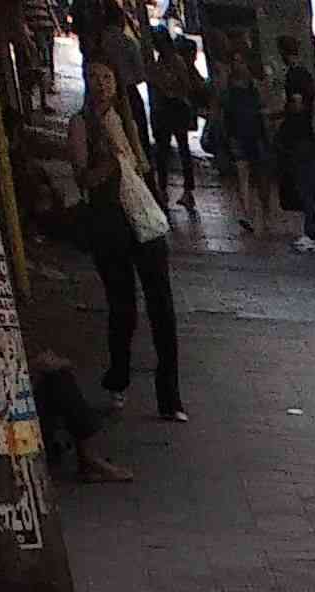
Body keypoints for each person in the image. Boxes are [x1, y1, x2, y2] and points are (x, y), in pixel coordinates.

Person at [67, 56, 185, 422]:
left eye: (107, 77)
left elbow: (142, 165)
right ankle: (118, 377)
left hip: (142, 216)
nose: (101, 84)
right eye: (93, 77)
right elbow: (83, 178)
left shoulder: (126, 119)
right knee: (123, 307)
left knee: (162, 306)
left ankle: (170, 397)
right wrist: (111, 163)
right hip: (108, 221)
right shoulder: (81, 124)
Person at [277, 59, 315, 246]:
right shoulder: (308, 91)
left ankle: (311, 233)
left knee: (306, 190)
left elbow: (295, 109)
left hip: (299, 144)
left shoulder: (295, 90)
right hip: (308, 142)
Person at [219, 46, 278, 232]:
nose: (238, 65)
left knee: (261, 177)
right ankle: (248, 213)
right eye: (235, 62)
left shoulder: (253, 85)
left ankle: (265, 212)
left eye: (240, 61)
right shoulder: (230, 86)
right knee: (243, 175)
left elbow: (264, 105)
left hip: (255, 134)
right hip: (238, 135)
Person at [147, 25, 201, 216]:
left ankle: (180, 190)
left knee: (174, 149)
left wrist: (167, 88)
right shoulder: (166, 61)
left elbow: (185, 85)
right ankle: (168, 189)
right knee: (166, 150)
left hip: (174, 107)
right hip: (169, 108)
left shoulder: (173, 61)